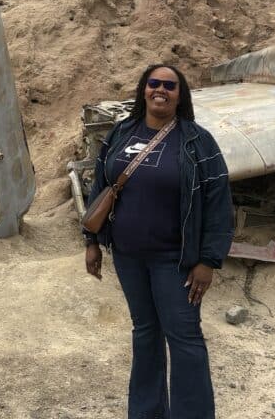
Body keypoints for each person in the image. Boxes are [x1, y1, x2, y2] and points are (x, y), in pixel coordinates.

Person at [83, 64, 233, 419]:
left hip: (175, 262)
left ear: (180, 95)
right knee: (146, 333)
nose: (160, 90)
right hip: (128, 257)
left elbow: (218, 202)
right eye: (154, 83)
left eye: (170, 85)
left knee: (184, 340)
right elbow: (99, 186)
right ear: (143, 89)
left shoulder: (197, 140)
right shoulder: (121, 132)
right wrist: (91, 240)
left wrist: (208, 260)